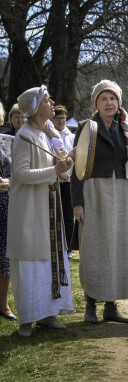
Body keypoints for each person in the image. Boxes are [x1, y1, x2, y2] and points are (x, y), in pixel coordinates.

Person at [71, 80, 128, 324]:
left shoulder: (126, 129)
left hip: (122, 192)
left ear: (118, 102)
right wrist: (77, 203)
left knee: (118, 247)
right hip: (94, 192)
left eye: (112, 98)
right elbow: (77, 168)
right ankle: (91, 304)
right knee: (94, 246)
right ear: (96, 103)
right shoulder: (86, 127)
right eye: (104, 99)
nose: (109, 103)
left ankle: (111, 306)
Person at [7, 85, 74, 337]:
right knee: (30, 262)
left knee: (49, 260)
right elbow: (21, 174)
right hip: (29, 211)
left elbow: (60, 166)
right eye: (47, 100)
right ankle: (27, 320)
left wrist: (64, 166)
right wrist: (54, 172)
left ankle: (48, 314)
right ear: (36, 108)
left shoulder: (48, 133)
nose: (52, 102)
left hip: (49, 207)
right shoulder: (24, 136)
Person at [52, 105, 75, 252]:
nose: (61, 121)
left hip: (70, 180)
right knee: (56, 213)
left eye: (63, 118)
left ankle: (69, 245)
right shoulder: (50, 136)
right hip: (55, 179)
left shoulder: (72, 136)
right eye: (58, 118)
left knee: (68, 213)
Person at [0, 102, 15, 321]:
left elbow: (22, 171)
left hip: (6, 204)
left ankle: (3, 304)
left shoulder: (9, 142)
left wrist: (10, 182)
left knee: (4, 257)